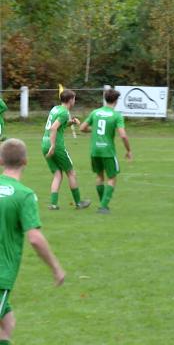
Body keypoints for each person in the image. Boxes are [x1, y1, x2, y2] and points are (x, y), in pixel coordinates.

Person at [0, 139, 65, 343]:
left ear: (1, 161)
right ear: (26, 161)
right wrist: (56, 268)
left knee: (8, 323)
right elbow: (35, 239)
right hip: (1, 274)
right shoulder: (24, 195)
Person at [79, 89, 133, 214]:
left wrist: (94, 131)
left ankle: (103, 204)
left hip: (95, 150)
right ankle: (103, 206)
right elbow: (123, 136)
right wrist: (128, 150)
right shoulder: (116, 115)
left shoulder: (95, 112)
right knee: (112, 178)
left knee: (99, 176)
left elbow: (82, 128)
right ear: (116, 101)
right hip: (108, 151)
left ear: (105, 99)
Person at [41, 89, 91, 211]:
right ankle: (79, 203)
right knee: (71, 173)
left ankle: (53, 204)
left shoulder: (55, 109)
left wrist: (71, 122)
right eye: (74, 99)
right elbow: (53, 128)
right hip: (56, 145)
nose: (75, 101)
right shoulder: (64, 112)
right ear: (70, 100)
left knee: (57, 174)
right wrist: (53, 146)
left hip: (44, 143)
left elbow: (57, 124)